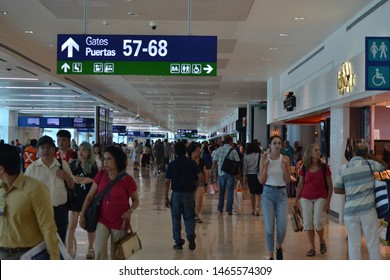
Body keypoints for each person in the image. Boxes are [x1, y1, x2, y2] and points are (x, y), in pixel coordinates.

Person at [0, 144, 59, 260]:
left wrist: (54, 257)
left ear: (1, 169)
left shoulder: (35, 189)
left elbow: (47, 226)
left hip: (27, 255)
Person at [79, 145, 139, 260]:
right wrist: (82, 213)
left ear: (117, 160)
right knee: (99, 250)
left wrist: (130, 211)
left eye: (109, 159)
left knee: (117, 255)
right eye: (104, 159)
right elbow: (90, 196)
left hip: (120, 220)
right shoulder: (101, 175)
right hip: (102, 219)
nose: (105, 162)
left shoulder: (127, 180)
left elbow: (136, 200)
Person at [334, 142, 385, 260]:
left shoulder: (344, 168)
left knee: (353, 245)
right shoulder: (371, 164)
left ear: (353, 152)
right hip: (368, 211)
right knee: (373, 244)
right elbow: (385, 166)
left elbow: (337, 189)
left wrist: (351, 189)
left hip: (350, 212)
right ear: (366, 153)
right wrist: (372, 157)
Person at [25, 135, 74, 243]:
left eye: (48, 147)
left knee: (60, 243)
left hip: (60, 211)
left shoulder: (62, 164)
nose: (45, 150)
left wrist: (66, 176)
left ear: (53, 149)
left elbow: (72, 185)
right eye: (42, 148)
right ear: (38, 150)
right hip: (40, 212)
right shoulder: (31, 169)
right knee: (41, 244)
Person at [294, 143, 333, 257]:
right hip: (306, 198)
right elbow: (300, 185)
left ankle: (321, 240)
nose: (318, 152)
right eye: (316, 150)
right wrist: (296, 201)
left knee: (317, 222)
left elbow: (330, 186)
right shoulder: (304, 167)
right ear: (310, 153)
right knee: (308, 224)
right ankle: (312, 247)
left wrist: (328, 202)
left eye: (319, 150)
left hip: (321, 197)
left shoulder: (324, 167)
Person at [259, 135, 291, 260]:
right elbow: (261, 180)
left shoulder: (285, 159)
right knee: (269, 228)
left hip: (282, 193)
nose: (277, 145)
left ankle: (279, 245)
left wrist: (285, 167)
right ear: (270, 145)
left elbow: (288, 180)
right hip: (268, 193)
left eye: (279, 143)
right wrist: (266, 167)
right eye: (274, 143)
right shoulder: (264, 159)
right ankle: (271, 255)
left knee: (282, 226)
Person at [164, 142, 200, 250]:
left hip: (176, 194)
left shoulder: (172, 164)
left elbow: (166, 182)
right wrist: (195, 188)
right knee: (189, 217)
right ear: (185, 151)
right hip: (189, 193)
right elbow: (200, 177)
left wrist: (165, 197)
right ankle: (190, 234)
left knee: (176, 218)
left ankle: (178, 242)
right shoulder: (192, 163)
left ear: (174, 151)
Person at [67, 142, 98, 259]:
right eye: (79, 150)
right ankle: (69, 249)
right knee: (72, 225)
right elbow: (71, 178)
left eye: (84, 150)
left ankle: (90, 248)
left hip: (89, 199)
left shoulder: (93, 166)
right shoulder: (74, 164)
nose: (80, 152)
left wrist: (78, 179)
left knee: (90, 226)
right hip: (75, 198)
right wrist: (81, 179)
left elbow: (91, 180)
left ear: (89, 152)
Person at [211, 136, 240, 215]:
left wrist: (212, 171)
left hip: (221, 174)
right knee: (230, 192)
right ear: (231, 141)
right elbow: (238, 162)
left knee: (222, 192)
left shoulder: (219, 150)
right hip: (230, 174)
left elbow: (215, 161)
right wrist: (238, 174)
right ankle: (229, 210)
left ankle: (220, 209)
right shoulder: (233, 151)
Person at [188, 142, 208, 223]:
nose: (199, 152)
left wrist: (206, 183)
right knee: (190, 199)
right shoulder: (188, 161)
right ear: (192, 152)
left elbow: (205, 172)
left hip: (200, 183)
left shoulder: (202, 161)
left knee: (199, 199)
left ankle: (196, 215)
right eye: (197, 150)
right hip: (189, 183)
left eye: (199, 150)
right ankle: (190, 214)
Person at [242, 142, 262, 216]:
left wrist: (244, 177)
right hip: (258, 175)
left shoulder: (246, 155)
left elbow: (245, 167)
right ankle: (257, 208)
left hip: (250, 175)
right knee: (258, 193)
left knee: (252, 193)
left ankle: (252, 209)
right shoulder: (260, 155)